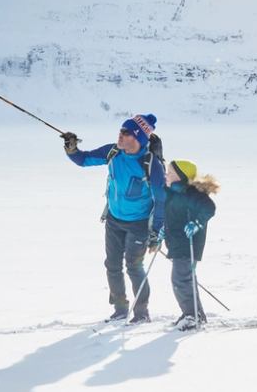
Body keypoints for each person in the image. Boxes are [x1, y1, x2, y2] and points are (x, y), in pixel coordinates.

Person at [63, 113, 167, 322]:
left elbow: (161, 201)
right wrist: (71, 148)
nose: (120, 135)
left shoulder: (151, 165)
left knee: (134, 266)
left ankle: (141, 313)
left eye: (126, 132)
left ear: (138, 138)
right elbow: (83, 160)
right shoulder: (112, 152)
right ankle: (120, 309)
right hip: (113, 219)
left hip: (138, 225)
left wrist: (156, 233)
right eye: (120, 130)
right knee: (112, 265)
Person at [164, 160, 220, 330]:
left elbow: (209, 208)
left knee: (181, 280)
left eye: (170, 173)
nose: (166, 175)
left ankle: (192, 316)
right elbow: (171, 217)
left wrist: (197, 223)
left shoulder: (192, 193)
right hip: (176, 242)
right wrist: (161, 231)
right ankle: (195, 313)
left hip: (189, 243)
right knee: (186, 280)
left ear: (180, 176)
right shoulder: (172, 193)